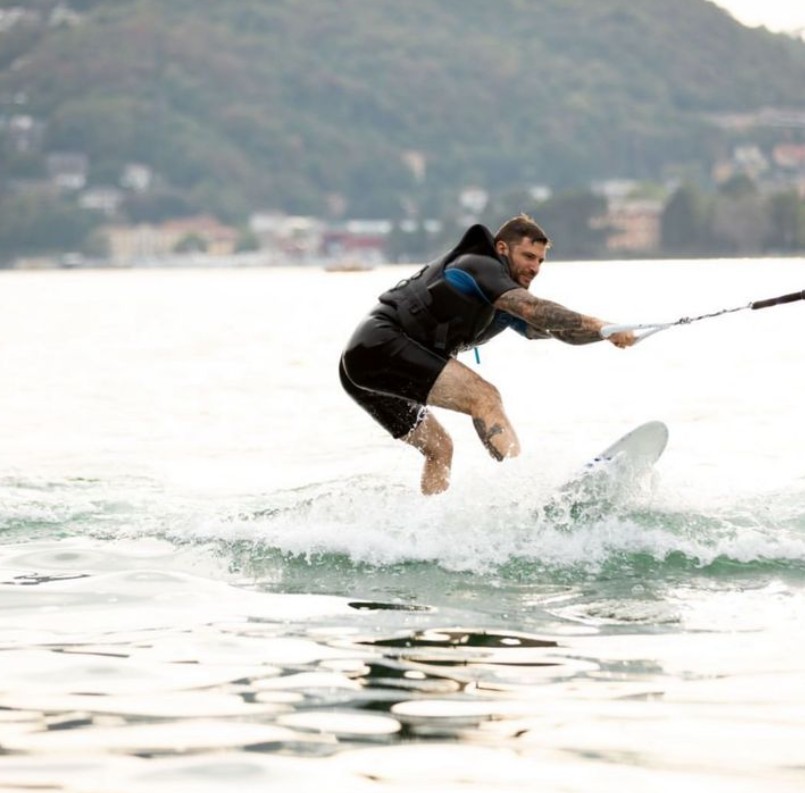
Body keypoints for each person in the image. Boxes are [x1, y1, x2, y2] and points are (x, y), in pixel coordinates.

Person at [338, 214, 636, 495]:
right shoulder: (478, 265)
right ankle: (523, 494)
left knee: (439, 448)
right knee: (484, 398)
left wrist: (605, 334)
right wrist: (600, 324)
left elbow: (555, 329)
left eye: (541, 261)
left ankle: (428, 528)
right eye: (528, 257)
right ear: (502, 248)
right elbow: (535, 310)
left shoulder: (502, 297)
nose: (535, 268)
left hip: (363, 367)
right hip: (379, 345)